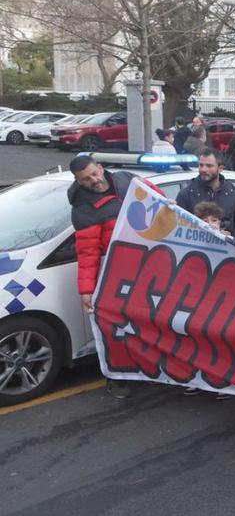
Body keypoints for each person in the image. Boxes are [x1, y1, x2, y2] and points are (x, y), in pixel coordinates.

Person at [68, 156, 158, 400]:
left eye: (94, 174)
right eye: (86, 179)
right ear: (78, 181)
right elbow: (87, 254)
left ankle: (154, 369)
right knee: (113, 329)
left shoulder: (127, 180)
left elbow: (160, 200)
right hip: (116, 276)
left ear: (101, 168)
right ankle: (116, 377)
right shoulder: (83, 208)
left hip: (151, 268)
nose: (94, 181)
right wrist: (86, 291)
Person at [176, 148, 235, 233]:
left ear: (220, 168)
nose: (203, 170)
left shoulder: (234, 193)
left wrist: (233, 237)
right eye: (201, 165)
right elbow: (178, 224)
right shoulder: (187, 194)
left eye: (209, 166)